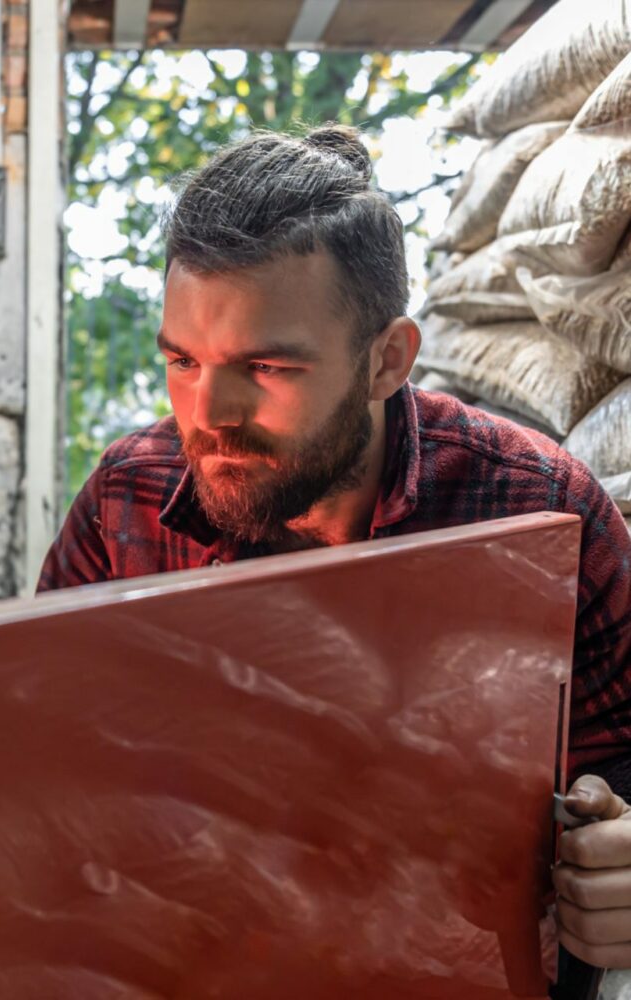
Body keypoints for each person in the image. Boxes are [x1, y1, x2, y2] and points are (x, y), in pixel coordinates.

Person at [38, 124, 631, 969]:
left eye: (269, 369)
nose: (210, 413)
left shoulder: (540, 509)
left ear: (388, 360)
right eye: (182, 360)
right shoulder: (125, 499)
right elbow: (37, 741)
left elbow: (624, 759)